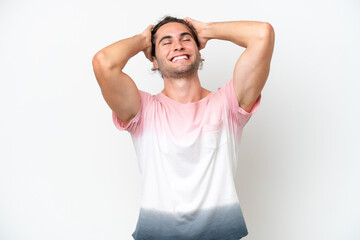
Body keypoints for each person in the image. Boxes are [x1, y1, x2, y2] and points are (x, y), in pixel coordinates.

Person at [92, 16, 274, 240]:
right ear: (154, 61)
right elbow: (104, 62)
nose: (177, 45)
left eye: (185, 39)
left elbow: (262, 34)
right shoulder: (143, 111)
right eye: (166, 42)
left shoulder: (228, 104)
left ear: (199, 52)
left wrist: (206, 30)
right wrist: (142, 40)